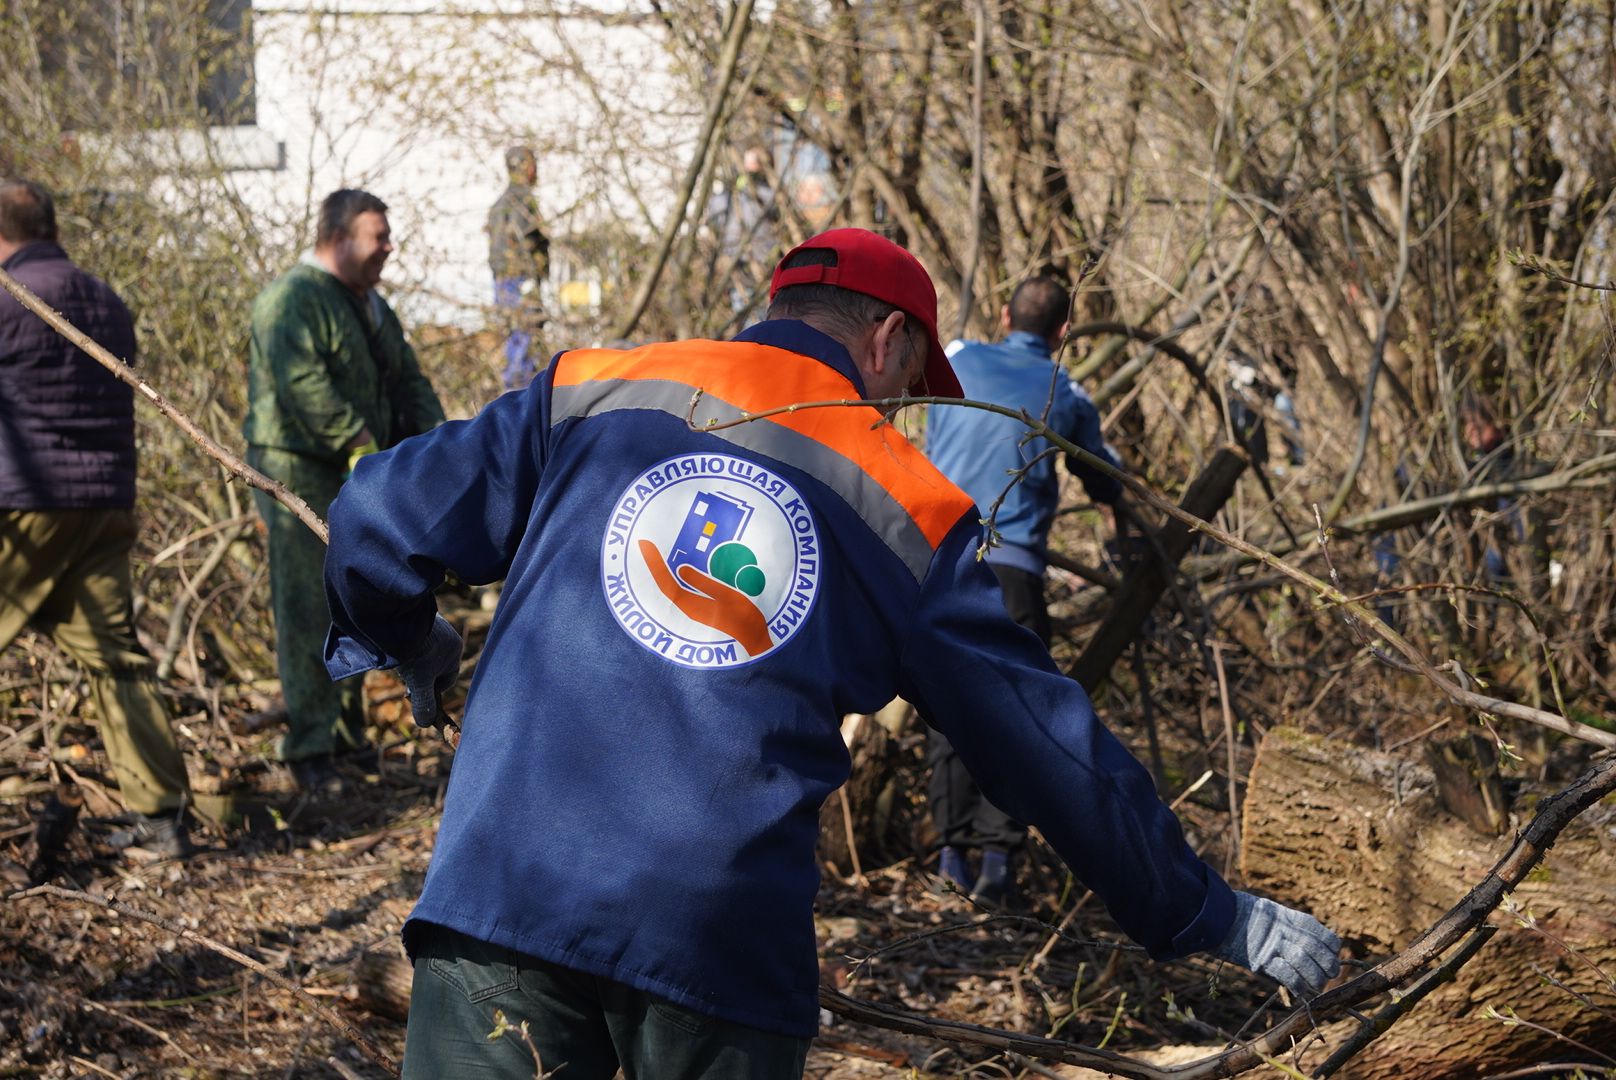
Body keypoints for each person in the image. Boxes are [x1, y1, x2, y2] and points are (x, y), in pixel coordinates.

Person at [321, 227, 1342, 1079]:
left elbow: (372, 508)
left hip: (504, 887)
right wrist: (1198, 909)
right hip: (716, 941)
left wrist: (405, 637)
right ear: (890, 339)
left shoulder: (591, 387)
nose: (899, 410)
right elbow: (1039, 738)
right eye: (910, 383)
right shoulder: (901, 502)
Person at [0, 179, 192, 856]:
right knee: (114, 656)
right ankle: (161, 815)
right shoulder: (106, 300)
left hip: (30, 506)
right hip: (106, 504)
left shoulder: (10, 297)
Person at [921, 272, 1123, 905]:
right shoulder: (1067, 390)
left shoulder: (956, 357)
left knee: (944, 704)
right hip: (1013, 570)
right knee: (1017, 712)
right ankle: (996, 864)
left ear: (1003, 313)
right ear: (1063, 330)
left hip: (936, 561)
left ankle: (950, 854)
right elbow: (1105, 479)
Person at [244, 188, 445, 797]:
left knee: (356, 603)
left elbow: (409, 381)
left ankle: (349, 736)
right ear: (337, 237)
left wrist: (439, 450)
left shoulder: (373, 307)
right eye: (377, 235)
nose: (389, 246)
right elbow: (302, 382)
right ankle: (311, 748)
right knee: (309, 605)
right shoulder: (291, 300)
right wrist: (358, 440)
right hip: (299, 472)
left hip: (359, 475)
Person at [487, 146, 551, 390]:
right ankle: (521, 400)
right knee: (526, 342)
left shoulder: (501, 203)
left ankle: (514, 396)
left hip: (503, 280)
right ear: (528, 166)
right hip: (521, 278)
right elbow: (527, 236)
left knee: (514, 338)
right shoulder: (522, 199)